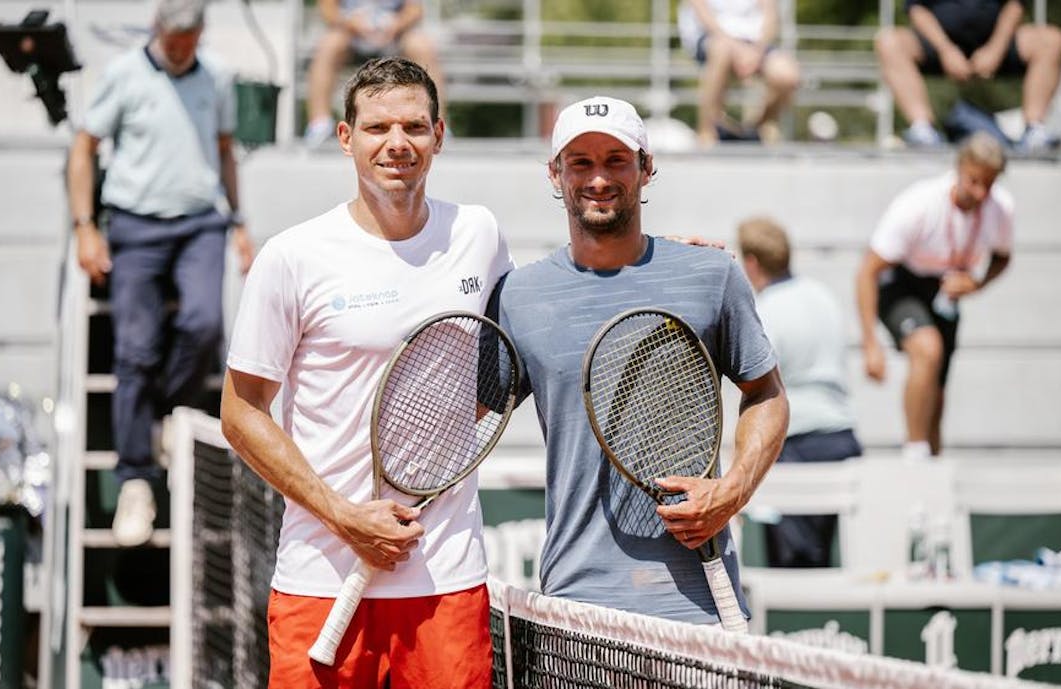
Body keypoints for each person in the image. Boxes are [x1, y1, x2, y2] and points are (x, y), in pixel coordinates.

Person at [220, 57, 511, 688]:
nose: (397, 143)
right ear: (347, 137)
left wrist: (661, 259)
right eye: (378, 128)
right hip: (319, 580)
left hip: (447, 580)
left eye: (414, 126)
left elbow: (508, 359)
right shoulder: (292, 256)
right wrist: (343, 515)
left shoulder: (480, 235)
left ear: (440, 134)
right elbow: (240, 412)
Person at [488, 96, 789, 624]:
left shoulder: (709, 275)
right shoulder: (519, 295)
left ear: (646, 169)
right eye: (580, 162)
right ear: (554, 173)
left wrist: (732, 492)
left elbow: (766, 394)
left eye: (616, 160)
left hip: (701, 608)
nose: (599, 179)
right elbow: (458, 420)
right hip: (575, 608)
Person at [67, 0, 255, 547]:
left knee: (203, 327)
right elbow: (84, 150)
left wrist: (239, 221)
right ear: (157, 30)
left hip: (200, 223)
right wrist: (86, 226)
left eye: (189, 40)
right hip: (134, 224)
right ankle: (136, 480)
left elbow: (224, 151)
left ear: (199, 34)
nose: (180, 50)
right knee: (134, 352)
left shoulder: (217, 76)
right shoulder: (123, 75)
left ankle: (171, 413)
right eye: (173, 40)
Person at [856, 132, 1012, 462]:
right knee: (927, 350)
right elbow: (867, 271)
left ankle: (932, 455)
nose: (980, 192)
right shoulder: (919, 204)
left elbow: (1002, 256)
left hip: (947, 291)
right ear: (960, 168)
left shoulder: (999, 208)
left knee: (937, 393)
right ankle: (914, 450)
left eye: (989, 184)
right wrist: (870, 343)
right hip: (902, 283)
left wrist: (977, 283)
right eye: (974, 181)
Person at [737, 216, 862, 568]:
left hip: (795, 444)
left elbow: (761, 385)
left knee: (792, 567)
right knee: (822, 562)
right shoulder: (822, 296)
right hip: (841, 437)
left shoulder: (765, 310)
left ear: (751, 263)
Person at [875, 0, 1061, 151]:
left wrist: (995, 48)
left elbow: (1015, 4)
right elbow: (916, 8)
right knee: (889, 42)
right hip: (939, 44)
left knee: (1051, 40)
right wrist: (945, 50)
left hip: (997, 42)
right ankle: (923, 130)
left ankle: (1034, 131)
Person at [303, 0, 447, 146]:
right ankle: (320, 123)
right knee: (329, 45)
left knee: (421, 46)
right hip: (350, 34)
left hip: (395, 35)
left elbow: (415, 10)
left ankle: (435, 122)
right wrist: (350, 23)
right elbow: (327, 9)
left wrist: (397, 24)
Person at [677, 0, 801, 146]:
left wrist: (756, 52)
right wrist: (737, 49)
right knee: (721, 50)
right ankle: (707, 133)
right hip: (712, 38)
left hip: (755, 44)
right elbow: (703, 16)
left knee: (787, 75)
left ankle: (753, 131)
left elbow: (771, 18)